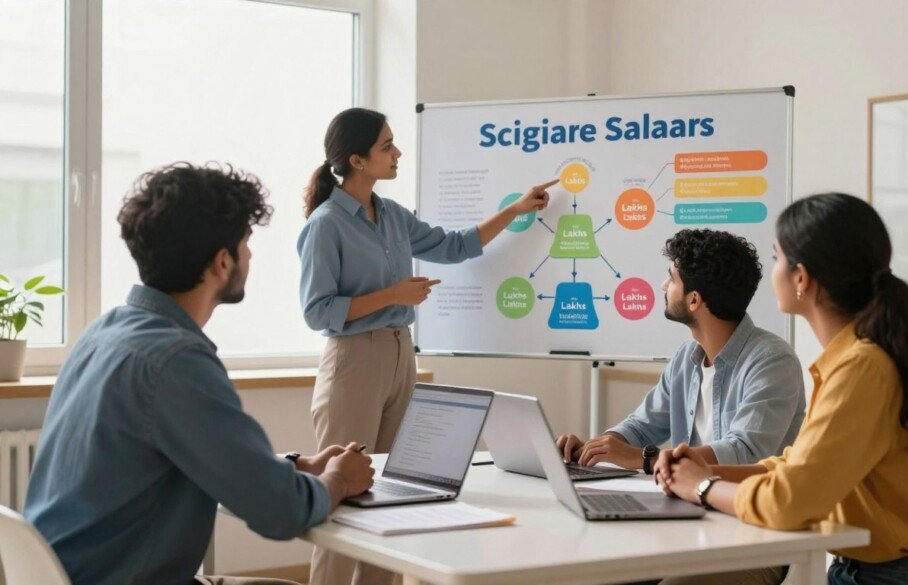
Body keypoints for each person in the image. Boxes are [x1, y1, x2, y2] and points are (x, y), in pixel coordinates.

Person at [24, 163, 376, 585]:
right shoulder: (175, 361)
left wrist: (297, 466)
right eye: (246, 243)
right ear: (222, 263)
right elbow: (282, 513)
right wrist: (338, 480)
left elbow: (191, 455)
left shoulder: (106, 332)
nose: (250, 255)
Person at [657, 193, 908, 585]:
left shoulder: (862, 368)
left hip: (895, 577)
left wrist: (702, 486)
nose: (771, 273)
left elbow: (789, 502)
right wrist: (706, 471)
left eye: (777, 259)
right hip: (889, 571)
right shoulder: (856, 360)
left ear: (802, 278)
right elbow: (797, 466)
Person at [297, 107, 555, 585]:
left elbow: (455, 246)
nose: (397, 153)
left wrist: (516, 210)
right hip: (353, 360)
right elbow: (318, 312)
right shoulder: (326, 224)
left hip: (401, 354)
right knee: (339, 498)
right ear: (356, 160)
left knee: (394, 495)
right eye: (386, 146)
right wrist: (392, 295)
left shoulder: (392, 214)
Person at [557, 229, 805, 473]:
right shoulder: (686, 357)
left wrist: (646, 459)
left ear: (694, 300)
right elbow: (642, 426)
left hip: (744, 507)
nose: (664, 285)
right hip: (692, 500)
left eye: (672, 278)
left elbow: (745, 452)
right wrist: (595, 448)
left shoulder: (772, 361)